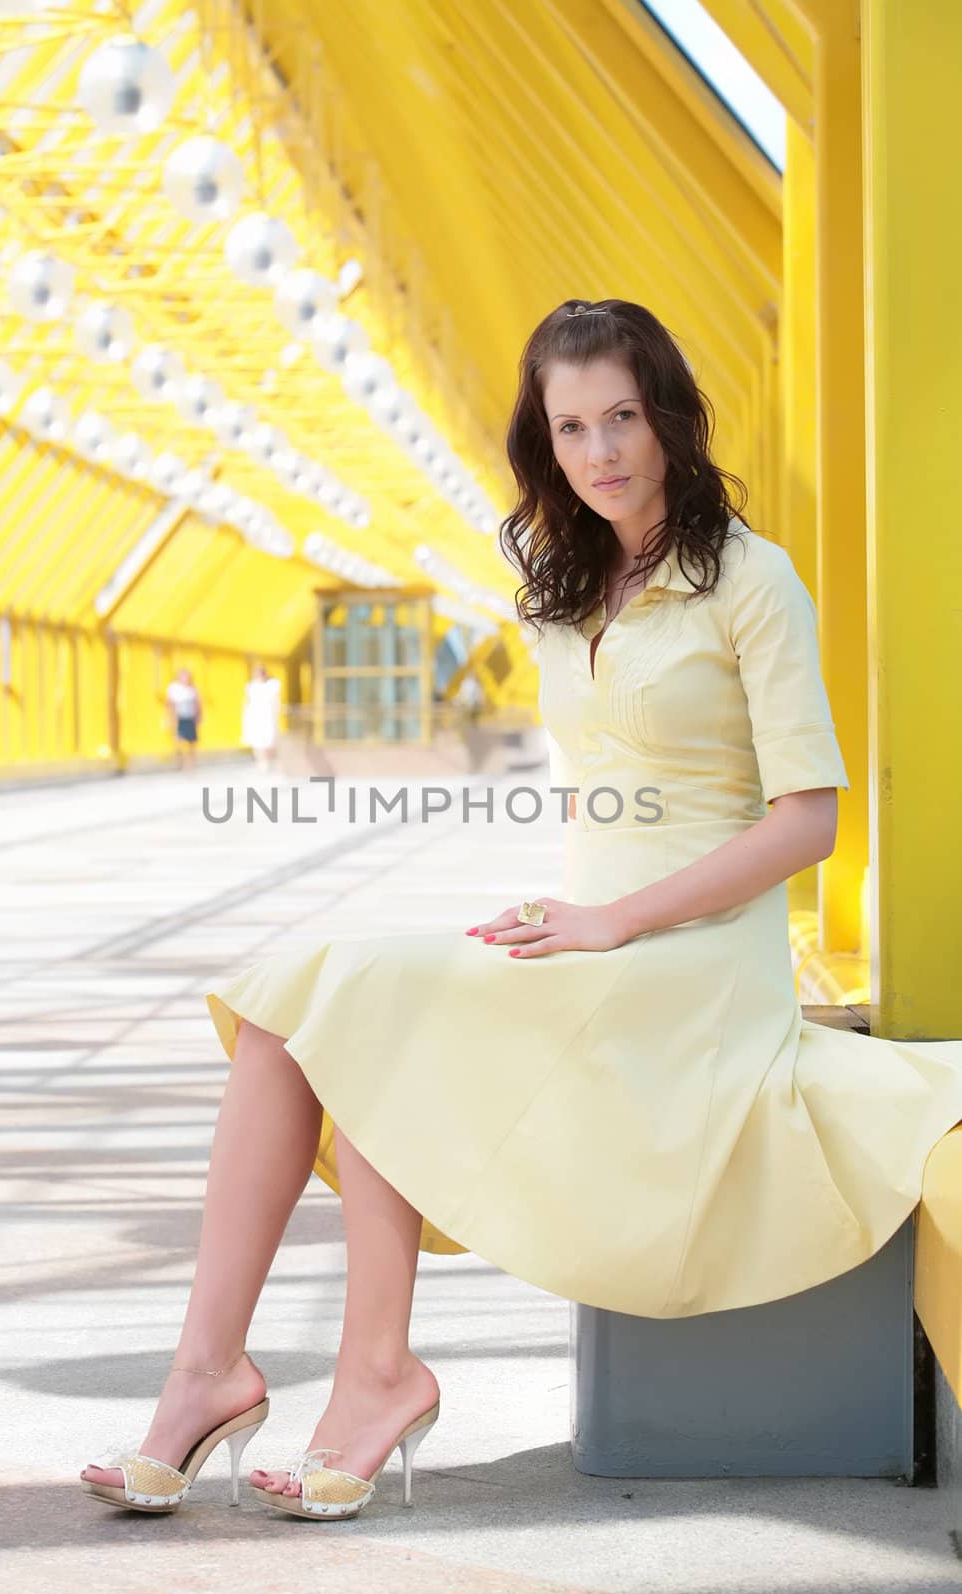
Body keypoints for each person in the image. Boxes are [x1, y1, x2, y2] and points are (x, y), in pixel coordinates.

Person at [81, 297, 962, 1522]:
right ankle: (212, 1373)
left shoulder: (751, 581)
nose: (600, 450)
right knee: (303, 1005)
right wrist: (578, 912)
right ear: (541, 444)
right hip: (587, 938)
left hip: (695, 965)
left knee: (366, 995)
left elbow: (804, 820)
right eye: (569, 427)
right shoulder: (566, 583)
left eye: (621, 417)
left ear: (666, 418)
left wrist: (615, 920)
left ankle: (367, 1375)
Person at [241, 663, 283, 774]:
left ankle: (270, 761)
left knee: (269, 740)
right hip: (255, 715)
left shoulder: (272, 685)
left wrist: (276, 713)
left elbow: (276, 701)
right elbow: (247, 701)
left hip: (268, 716)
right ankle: (261, 762)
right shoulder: (251, 686)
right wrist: (245, 715)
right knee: (257, 740)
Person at [165, 667, 201, 773]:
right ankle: (180, 763)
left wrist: (198, 716)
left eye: (187, 677)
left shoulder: (192, 689)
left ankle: (189, 765)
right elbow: (170, 704)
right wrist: (170, 718)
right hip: (178, 717)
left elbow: (197, 703)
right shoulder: (173, 688)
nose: (186, 679)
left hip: (190, 717)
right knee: (178, 742)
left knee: (191, 742)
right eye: (184, 676)